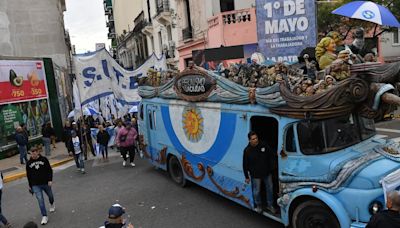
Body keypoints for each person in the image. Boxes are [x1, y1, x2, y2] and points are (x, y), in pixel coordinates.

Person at [242, 131, 276, 214]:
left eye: (256, 138)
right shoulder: (247, 150)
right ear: (249, 140)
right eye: (253, 139)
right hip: (255, 175)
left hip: (267, 173)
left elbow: (271, 154)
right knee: (256, 191)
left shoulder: (263, 144)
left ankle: (270, 205)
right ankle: (259, 205)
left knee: (270, 189)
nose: (255, 140)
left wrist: (272, 167)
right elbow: (245, 164)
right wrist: (246, 177)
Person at [26, 146, 55, 225]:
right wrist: (30, 185)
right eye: (32, 154)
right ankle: (44, 216)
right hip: (35, 185)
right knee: (40, 200)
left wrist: (50, 180)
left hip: (46, 182)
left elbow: (49, 170)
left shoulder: (44, 159)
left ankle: (52, 203)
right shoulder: (28, 163)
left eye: (35, 153)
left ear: (38, 152)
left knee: (50, 196)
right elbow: (28, 175)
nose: (33, 155)